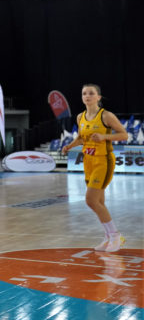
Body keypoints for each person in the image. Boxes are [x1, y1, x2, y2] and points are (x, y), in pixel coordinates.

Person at [62, 84, 128, 252]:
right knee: (99, 202)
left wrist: (104, 136)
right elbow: (81, 138)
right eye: (84, 93)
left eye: (91, 93)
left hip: (103, 161)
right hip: (88, 161)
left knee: (91, 200)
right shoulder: (80, 117)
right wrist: (69, 146)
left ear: (98, 97)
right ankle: (108, 236)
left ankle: (116, 236)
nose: (87, 96)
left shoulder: (106, 116)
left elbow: (124, 134)